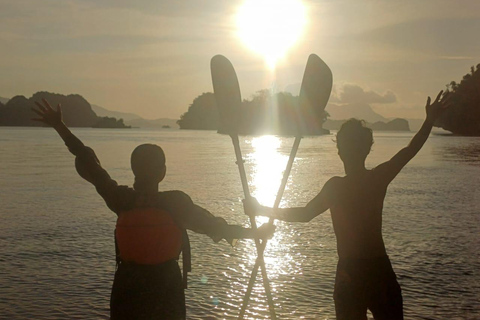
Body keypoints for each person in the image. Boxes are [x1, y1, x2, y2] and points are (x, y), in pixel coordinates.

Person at [32, 99, 274, 320]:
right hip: (166, 290)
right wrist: (257, 233)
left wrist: (60, 127)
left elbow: (89, 163)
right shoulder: (176, 203)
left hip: (127, 290)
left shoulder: (121, 199)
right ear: (163, 172)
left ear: (134, 170)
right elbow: (217, 227)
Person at [244, 91, 452, 320]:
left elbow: (304, 215)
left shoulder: (336, 187)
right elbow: (409, 151)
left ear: (340, 150)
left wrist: (261, 209)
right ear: (368, 148)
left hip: (349, 274)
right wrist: (428, 122)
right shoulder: (377, 179)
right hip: (379, 271)